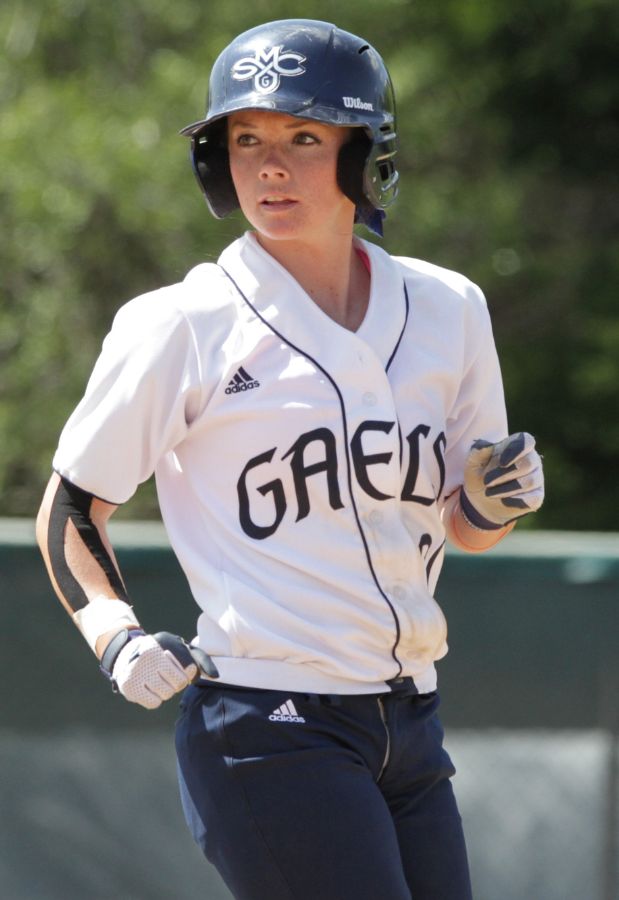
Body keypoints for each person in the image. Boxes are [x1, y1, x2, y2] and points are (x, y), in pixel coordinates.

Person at [36, 18, 544, 900]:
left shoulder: (449, 308)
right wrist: (115, 636)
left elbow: (465, 531)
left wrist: (490, 505)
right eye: (246, 139)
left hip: (409, 719)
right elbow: (71, 507)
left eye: (303, 137)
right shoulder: (183, 323)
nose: (269, 166)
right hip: (265, 723)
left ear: (364, 154)